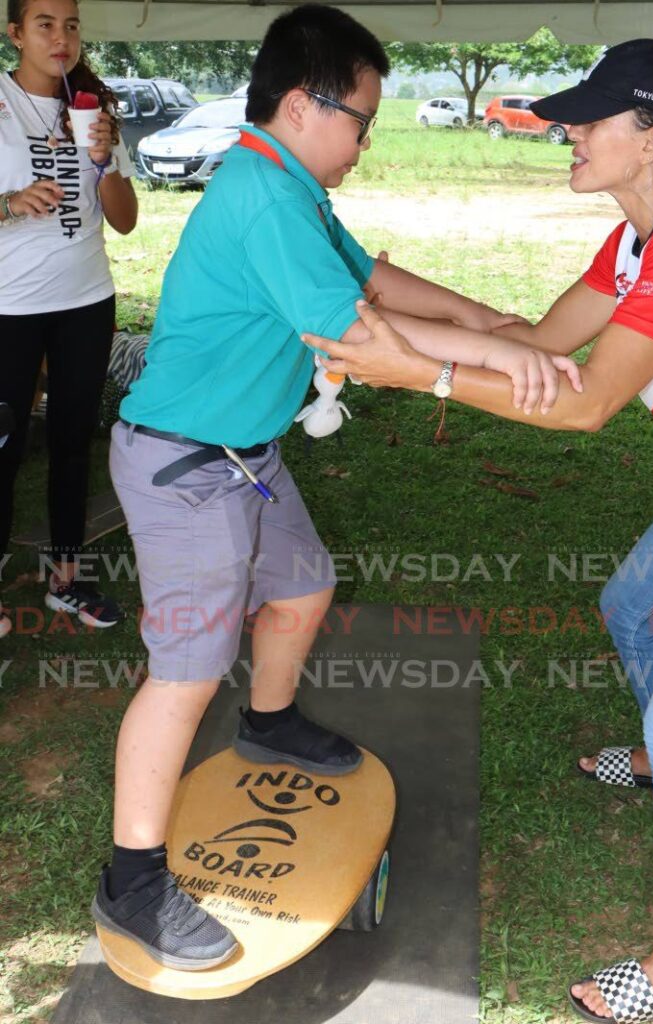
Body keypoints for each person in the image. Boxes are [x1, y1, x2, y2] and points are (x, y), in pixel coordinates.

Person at [307, 38, 653, 1023]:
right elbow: (533, 344)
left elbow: (581, 405)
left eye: (589, 118)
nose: (567, 131)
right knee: (631, 606)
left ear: (652, 136)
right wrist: (377, 317)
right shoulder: (641, 237)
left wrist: (422, 374)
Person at [96, 2, 580, 970]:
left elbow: (376, 283)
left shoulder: (289, 189)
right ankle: (132, 883)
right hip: (186, 466)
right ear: (299, 104)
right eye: (359, 117)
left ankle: (269, 723)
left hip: (243, 457)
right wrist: (486, 372)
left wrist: (498, 326)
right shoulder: (262, 197)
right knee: (183, 673)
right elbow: (357, 338)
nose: (365, 137)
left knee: (306, 585)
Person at [0, 0, 137, 637]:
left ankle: (65, 580)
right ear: (16, 33)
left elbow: (125, 218)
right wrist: (9, 203)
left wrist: (104, 161)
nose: (62, 38)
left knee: (72, 443)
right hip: (11, 306)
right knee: (3, 448)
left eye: (72, 25)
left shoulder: (91, 108)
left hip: (86, 299)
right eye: (46, 24)